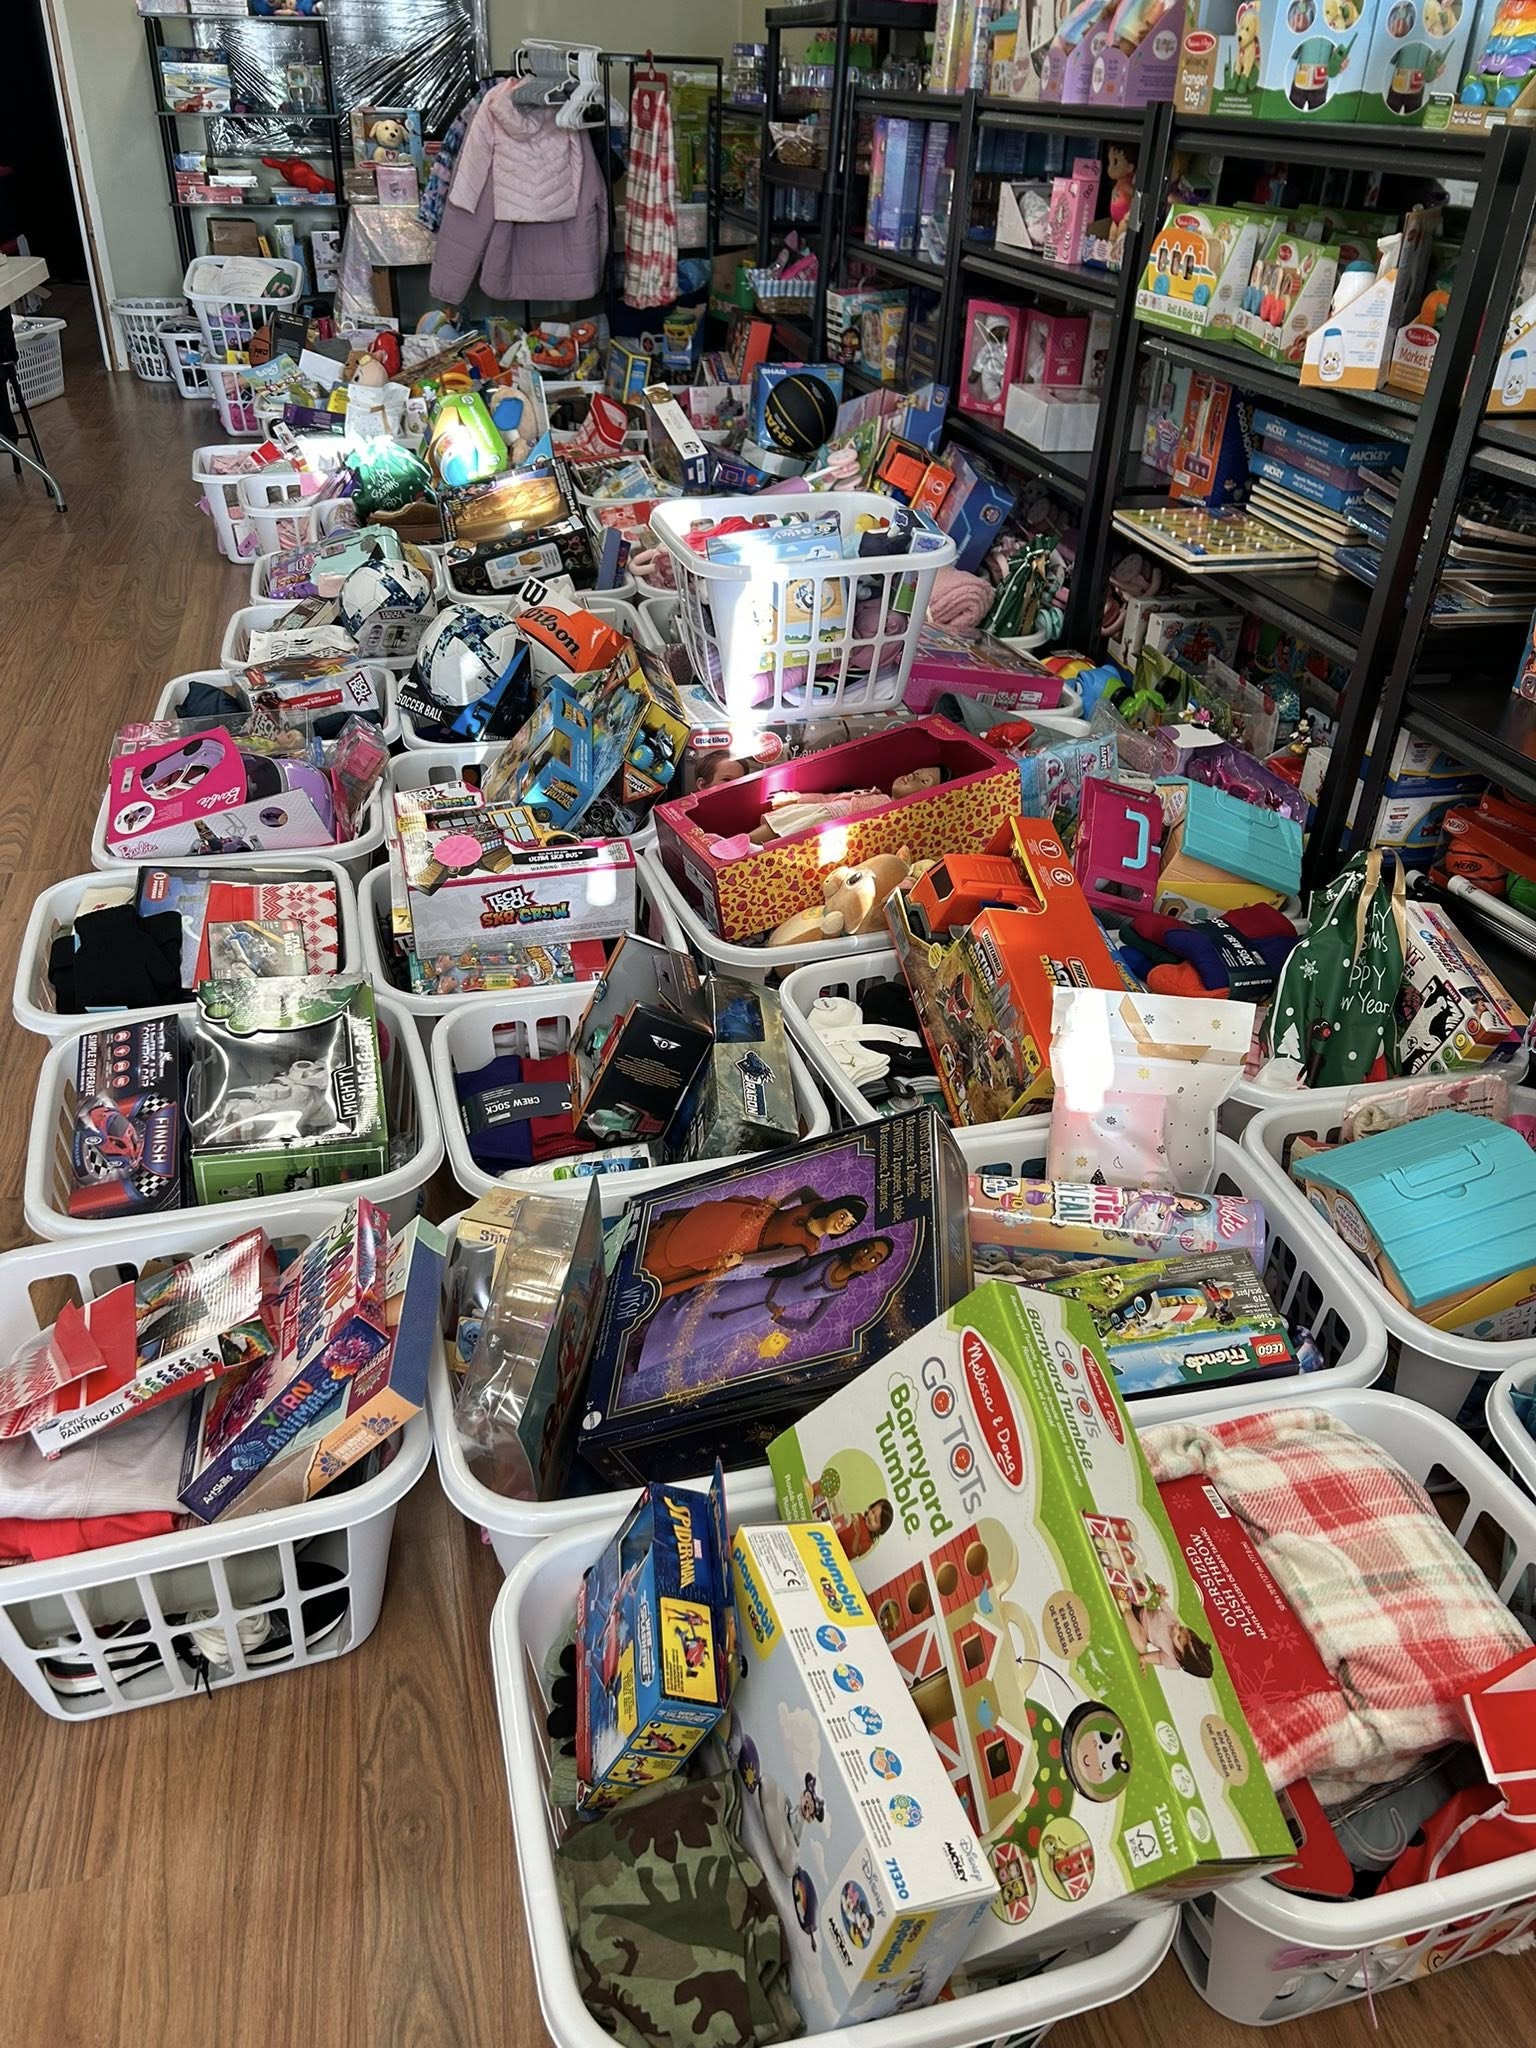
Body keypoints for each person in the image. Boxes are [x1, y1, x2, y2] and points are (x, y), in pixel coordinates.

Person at [641, 1189, 870, 1298]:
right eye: (843, 1216)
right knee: (694, 1225)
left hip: (743, 1243)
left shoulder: (807, 1247)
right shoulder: (816, 1202)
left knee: (690, 1254)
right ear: (835, 1207)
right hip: (748, 1217)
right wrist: (779, 1202)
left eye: (848, 1225)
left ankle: (648, 1267)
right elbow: (803, 1190)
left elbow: (771, 1259)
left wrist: (743, 1259)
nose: (842, 1224)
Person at [1124, 1594, 1214, 1677]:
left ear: (1180, 1656)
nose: (1176, 1627)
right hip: (1141, 1608)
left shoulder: (1172, 1660)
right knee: (1142, 1594)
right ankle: (1127, 1599)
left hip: (1140, 1629)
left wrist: (1145, 1658)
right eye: (1181, 1628)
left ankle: (1127, 1610)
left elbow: (1159, 1658)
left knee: (1141, 1646)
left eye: (1178, 1637)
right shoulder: (1173, 1621)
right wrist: (1160, 1595)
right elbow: (1161, 1603)